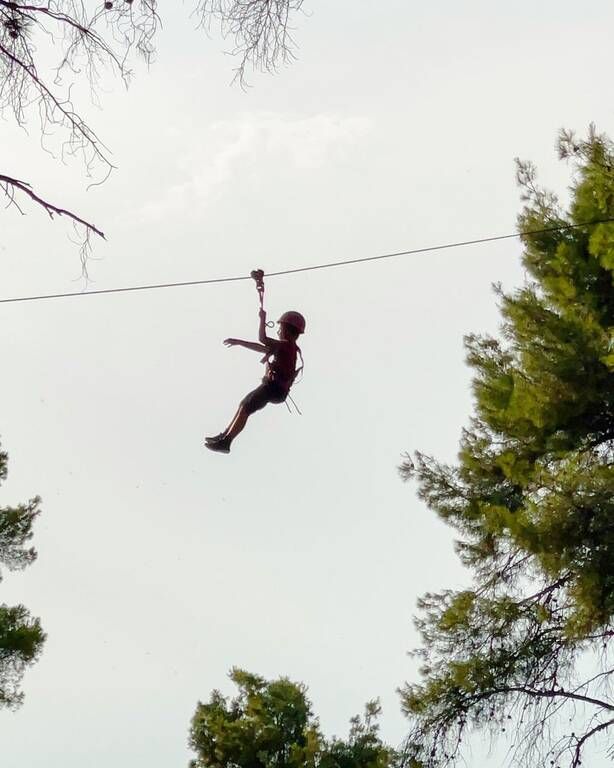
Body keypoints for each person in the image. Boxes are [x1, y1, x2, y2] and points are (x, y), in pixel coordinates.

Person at [205, 307, 305, 453]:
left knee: (246, 407)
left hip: (272, 388)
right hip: (275, 389)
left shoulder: (285, 346)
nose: (279, 331)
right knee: (244, 404)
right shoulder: (288, 348)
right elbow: (261, 348)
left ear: (287, 330)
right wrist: (239, 342)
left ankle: (226, 442)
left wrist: (262, 318)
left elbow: (262, 339)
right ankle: (225, 435)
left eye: (281, 328)